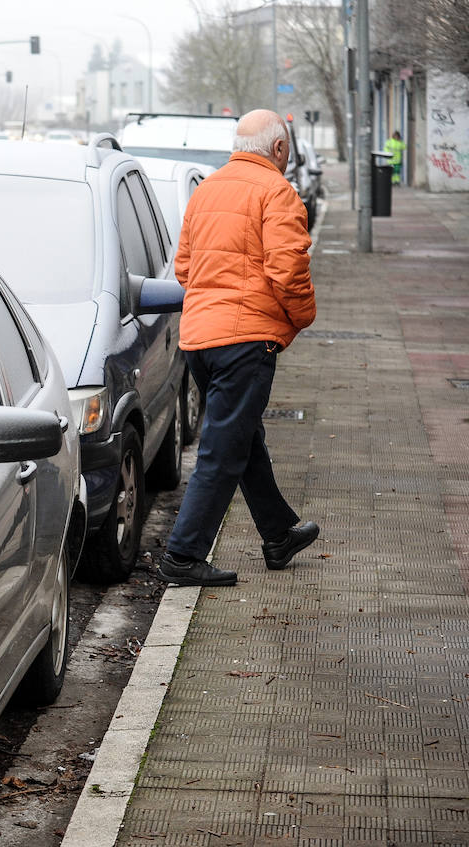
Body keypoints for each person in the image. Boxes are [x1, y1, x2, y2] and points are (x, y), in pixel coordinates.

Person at [157, 109, 320, 587]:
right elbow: (288, 271)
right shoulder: (277, 192)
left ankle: (278, 534)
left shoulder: (207, 189)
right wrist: (303, 317)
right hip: (245, 341)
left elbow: (184, 268)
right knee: (222, 452)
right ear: (278, 149)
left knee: (243, 440)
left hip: (200, 340)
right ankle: (182, 556)